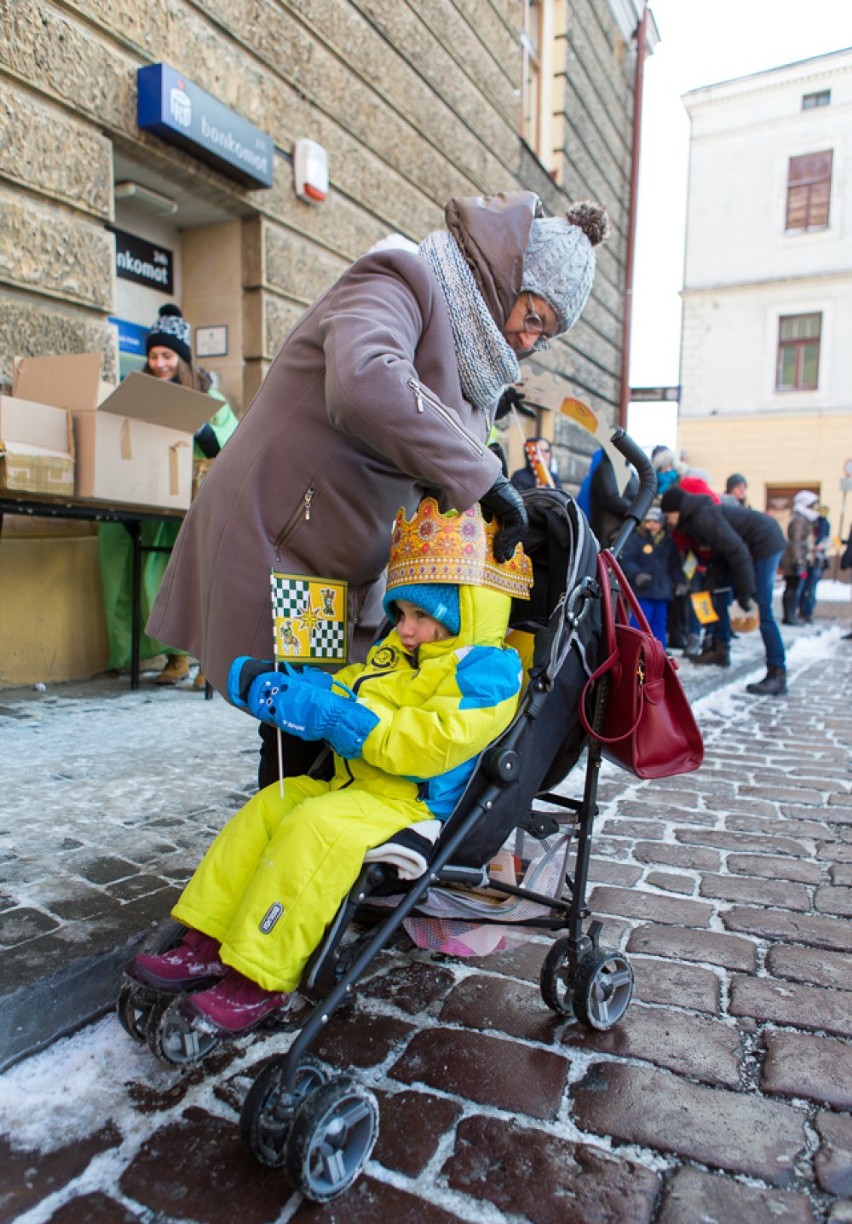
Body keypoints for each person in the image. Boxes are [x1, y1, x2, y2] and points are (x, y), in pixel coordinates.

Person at [146, 191, 609, 783]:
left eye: (544, 335)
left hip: (344, 566)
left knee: (323, 717)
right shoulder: (402, 277)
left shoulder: (479, 363)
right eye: (535, 318)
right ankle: (288, 847)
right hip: (284, 538)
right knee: (297, 718)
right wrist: (482, 473)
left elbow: (443, 451)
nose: (528, 341)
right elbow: (365, 381)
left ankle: (305, 839)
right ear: (509, 277)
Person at [124, 500, 531, 1036]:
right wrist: (291, 685)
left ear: (464, 614)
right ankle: (206, 939)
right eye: (401, 614)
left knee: (310, 831)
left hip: (413, 805)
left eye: (422, 617)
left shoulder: (488, 674)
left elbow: (430, 744)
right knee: (270, 806)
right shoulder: (396, 655)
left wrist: (343, 721)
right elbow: (350, 685)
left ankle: (260, 975)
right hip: (356, 788)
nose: (405, 630)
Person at [97, 305, 239, 689]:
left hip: (198, 506)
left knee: (198, 583)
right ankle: (176, 658)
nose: (159, 363)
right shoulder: (139, 392)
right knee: (154, 583)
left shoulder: (209, 397)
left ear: (181, 358)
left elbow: (231, 447)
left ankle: (210, 660)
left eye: (167, 355)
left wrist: (204, 433)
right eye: (154, 355)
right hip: (155, 505)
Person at [659, 485, 755, 669]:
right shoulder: (688, 517)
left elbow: (732, 548)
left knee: (713, 601)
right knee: (702, 601)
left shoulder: (701, 515)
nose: (667, 520)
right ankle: (706, 640)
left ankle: (711, 641)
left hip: (710, 564)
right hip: (700, 563)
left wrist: (745, 592)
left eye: (669, 515)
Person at [718, 499, 788, 696]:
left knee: (762, 608)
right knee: (761, 607)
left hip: (766, 546)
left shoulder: (710, 515)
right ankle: (776, 671)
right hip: (763, 545)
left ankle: (777, 674)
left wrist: (745, 593)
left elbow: (739, 555)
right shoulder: (717, 513)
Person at [620, 507, 683, 647]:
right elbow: (627, 560)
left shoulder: (668, 542)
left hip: (662, 591)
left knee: (660, 624)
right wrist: (637, 574)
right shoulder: (636, 539)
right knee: (639, 623)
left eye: (655, 521)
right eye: (648, 521)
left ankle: (659, 652)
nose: (652, 525)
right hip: (643, 590)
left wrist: (679, 581)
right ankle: (635, 649)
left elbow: (675, 565)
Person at [781, 491, 820, 627]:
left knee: (795, 587)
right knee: (793, 587)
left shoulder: (804, 518)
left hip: (799, 557)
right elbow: (795, 542)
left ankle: (791, 615)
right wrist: (797, 560)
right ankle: (789, 616)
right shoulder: (798, 519)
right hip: (794, 558)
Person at [799, 504, 831, 623]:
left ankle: (806, 612)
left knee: (810, 588)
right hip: (807, 561)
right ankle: (803, 611)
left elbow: (825, 541)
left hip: (815, 561)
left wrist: (820, 547)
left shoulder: (824, 524)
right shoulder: (809, 523)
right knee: (804, 587)